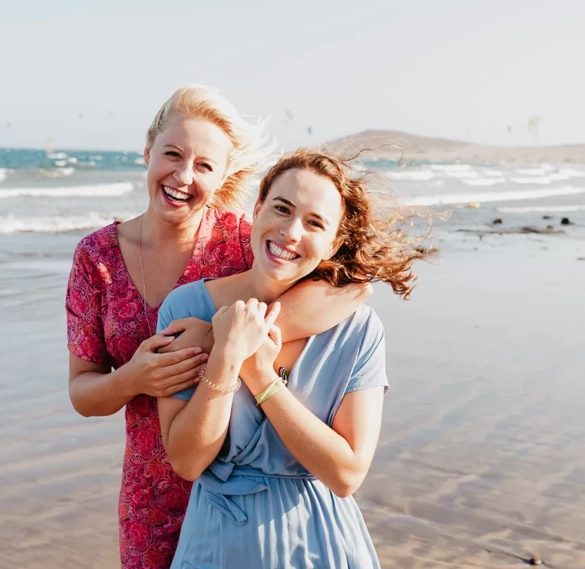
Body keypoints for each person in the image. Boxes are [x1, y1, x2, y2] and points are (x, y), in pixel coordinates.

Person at [66, 87, 370, 569]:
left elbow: (347, 292)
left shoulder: (241, 240)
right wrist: (135, 378)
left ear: (224, 176)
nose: (183, 176)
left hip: (248, 479)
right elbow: (82, 391)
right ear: (148, 152)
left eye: (205, 165)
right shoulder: (96, 259)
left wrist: (220, 338)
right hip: (154, 488)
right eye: (172, 154)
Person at [157, 149, 429, 568]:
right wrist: (226, 356)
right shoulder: (185, 309)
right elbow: (188, 461)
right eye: (282, 209)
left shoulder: (358, 331)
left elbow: (347, 474)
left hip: (321, 545)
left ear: (334, 241)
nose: (290, 232)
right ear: (258, 206)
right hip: (215, 545)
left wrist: (259, 373)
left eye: (314, 223)